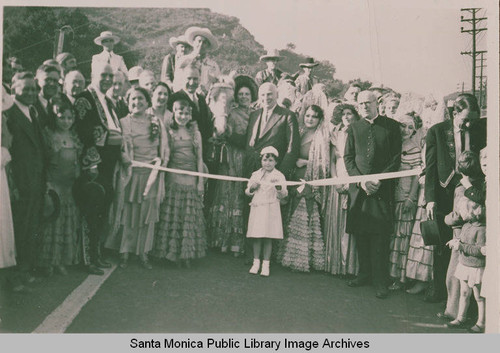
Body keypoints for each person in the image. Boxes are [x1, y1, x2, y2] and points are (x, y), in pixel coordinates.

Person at [424, 93, 486, 303]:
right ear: (455, 113)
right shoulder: (437, 131)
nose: (468, 124)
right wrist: (430, 198)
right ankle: (440, 290)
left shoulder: (479, 128)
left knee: (467, 243)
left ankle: (464, 300)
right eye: (465, 119)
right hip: (444, 194)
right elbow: (430, 167)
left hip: (471, 196)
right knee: (442, 243)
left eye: (473, 119)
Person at [344, 90, 402, 299]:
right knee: (360, 233)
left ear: (376, 103)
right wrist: (360, 180)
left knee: (379, 235)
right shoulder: (353, 128)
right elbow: (348, 158)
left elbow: (396, 158)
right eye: (360, 104)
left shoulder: (392, 126)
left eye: (367, 103)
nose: (364, 107)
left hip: (381, 190)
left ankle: (380, 281)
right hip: (359, 190)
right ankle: (364, 274)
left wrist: (379, 180)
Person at [106, 87, 169, 269]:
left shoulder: (156, 121)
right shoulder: (123, 122)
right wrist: (126, 161)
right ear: (127, 102)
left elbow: (164, 149)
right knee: (128, 213)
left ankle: (143, 253)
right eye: (133, 99)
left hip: (151, 176)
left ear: (147, 101)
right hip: (130, 175)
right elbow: (120, 149)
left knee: (145, 215)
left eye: (141, 99)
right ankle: (124, 252)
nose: (137, 102)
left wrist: (159, 164)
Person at [73, 63, 121, 275]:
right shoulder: (85, 97)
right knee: (92, 209)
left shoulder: (109, 100)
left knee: (102, 208)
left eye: (111, 76)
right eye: (104, 75)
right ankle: (88, 258)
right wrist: (92, 163)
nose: (108, 79)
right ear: (93, 75)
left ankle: (96, 253)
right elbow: (83, 132)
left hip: (109, 163)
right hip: (94, 164)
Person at [4, 72, 47, 291]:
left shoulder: (33, 110)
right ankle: (14, 277)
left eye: (34, 89)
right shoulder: (8, 113)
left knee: (30, 226)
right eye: (25, 89)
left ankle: (25, 270)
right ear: (13, 90)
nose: (31, 93)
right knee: (18, 229)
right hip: (19, 182)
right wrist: (13, 184)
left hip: (35, 180)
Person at [152, 97, 207, 267]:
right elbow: (165, 156)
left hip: (190, 179)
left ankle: (187, 256)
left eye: (186, 113)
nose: (182, 116)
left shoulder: (196, 133)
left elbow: (199, 158)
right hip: (173, 180)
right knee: (173, 217)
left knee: (188, 217)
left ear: (190, 115)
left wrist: (200, 182)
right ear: (173, 113)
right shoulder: (169, 132)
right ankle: (171, 255)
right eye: (179, 112)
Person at [208, 75, 258, 256]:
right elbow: (222, 132)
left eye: (247, 94)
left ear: (252, 96)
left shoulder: (255, 114)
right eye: (241, 94)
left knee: (239, 194)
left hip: (245, 158)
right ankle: (220, 240)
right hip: (230, 155)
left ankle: (236, 243)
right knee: (225, 192)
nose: (244, 97)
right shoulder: (233, 112)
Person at [280, 105, 329, 272]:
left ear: (319, 119)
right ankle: (286, 255)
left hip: (309, 179)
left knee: (302, 215)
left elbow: (325, 162)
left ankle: (301, 260)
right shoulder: (299, 132)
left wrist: (305, 162)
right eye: (307, 115)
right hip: (295, 177)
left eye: (314, 117)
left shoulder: (321, 137)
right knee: (291, 213)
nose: (310, 119)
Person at [38, 96, 82, 277]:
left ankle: (61, 261)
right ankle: (48, 261)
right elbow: (46, 162)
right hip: (54, 185)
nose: (66, 121)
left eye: (69, 118)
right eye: (61, 117)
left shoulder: (74, 137)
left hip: (68, 186)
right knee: (52, 224)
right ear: (54, 117)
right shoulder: (49, 135)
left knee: (65, 224)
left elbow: (76, 161)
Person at [324, 103, 360, 276]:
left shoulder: (359, 132)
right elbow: (332, 160)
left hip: (353, 179)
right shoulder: (336, 134)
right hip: (338, 178)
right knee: (336, 221)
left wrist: (351, 182)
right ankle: (336, 264)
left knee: (350, 223)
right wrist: (335, 180)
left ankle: (351, 267)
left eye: (350, 113)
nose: (346, 117)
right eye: (344, 114)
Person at [388, 112, 422, 290]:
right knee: (393, 234)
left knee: (402, 235)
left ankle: (400, 278)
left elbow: (417, 176)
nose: (406, 130)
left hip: (405, 195)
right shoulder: (393, 144)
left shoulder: (414, 148)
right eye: (403, 125)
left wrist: (411, 197)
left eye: (410, 127)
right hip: (391, 196)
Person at [239, 82, 300, 179]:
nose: (266, 98)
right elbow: (248, 141)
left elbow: (292, 149)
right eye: (263, 95)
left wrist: (279, 175)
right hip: (251, 173)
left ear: (277, 95)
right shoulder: (254, 114)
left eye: (269, 94)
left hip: (274, 173)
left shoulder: (287, 116)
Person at [445, 197, 485, 333]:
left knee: (479, 296)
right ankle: (461, 317)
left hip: (475, 267)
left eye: (462, 211)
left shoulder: (481, 229)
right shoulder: (467, 225)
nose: (460, 214)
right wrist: (456, 240)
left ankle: (481, 322)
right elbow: (462, 240)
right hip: (464, 264)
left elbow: (480, 250)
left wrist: (460, 246)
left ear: (472, 212)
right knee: (464, 293)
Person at [246, 146, 288, 276]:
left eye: (270, 160)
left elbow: (284, 195)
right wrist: (252, 188)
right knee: (257, 237)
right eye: (265, 160)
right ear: (261, 161)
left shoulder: (279, 175)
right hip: (258, 208)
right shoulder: (255, 174)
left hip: (271, 209)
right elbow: (247, 192)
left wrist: (279, 188)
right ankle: (256, 262)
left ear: (275, 162)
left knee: (268, 237)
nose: (267, 163)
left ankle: (266, 264)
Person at [168, 63, 213, 168]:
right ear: (182, 79)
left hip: (201, 154)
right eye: (188, 78)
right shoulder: (174, 98)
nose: (192, 82)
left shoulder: (201, 99)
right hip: (182, 156)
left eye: (195, 79)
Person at [178, 26, 220, 94]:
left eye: (204, 42)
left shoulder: (213, 65)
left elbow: (217, 86)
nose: (201, 44)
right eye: (199, 41)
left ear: (208, 46)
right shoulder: (183, 59)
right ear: (194, 42)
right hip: (185, 98)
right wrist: (194, 55)